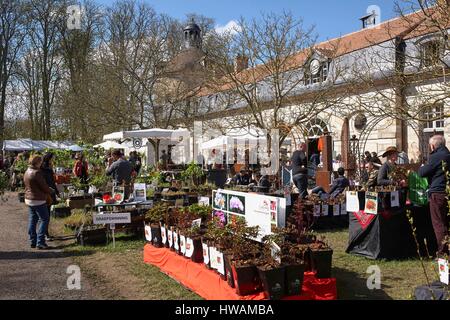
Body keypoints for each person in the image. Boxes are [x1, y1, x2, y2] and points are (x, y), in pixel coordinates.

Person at [418, 135, 450, 255]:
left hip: (438, 193)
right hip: (447, 191)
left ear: (433, 146)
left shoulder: (436, 156)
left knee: (439, 223)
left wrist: (423, 164)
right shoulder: (448, 154)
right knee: (446, 221)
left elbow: (422, 173)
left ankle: (443, 252)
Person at [24, 155, 52, 250]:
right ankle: (40, 242)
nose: (41, 164)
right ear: (37, 162)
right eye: (40, 162)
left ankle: (33, 240)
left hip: (29, 199)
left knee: (33, 219)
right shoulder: (37, 173)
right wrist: (50, 190)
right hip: (38, 199)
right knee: (44, 219)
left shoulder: (27, 171)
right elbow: (44, 186)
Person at [41, 153, 60, 241]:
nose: (53, 160)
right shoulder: (44, 169)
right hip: (47, 193)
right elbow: (49, 182)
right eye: (52, 158)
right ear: (49, 159)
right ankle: (45, 234)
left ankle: (46, 233)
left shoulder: (47, 168)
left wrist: (56, 192)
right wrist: (54, 191)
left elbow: (52, 181)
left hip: (50, 192)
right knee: (45, 215)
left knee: (47, 215)